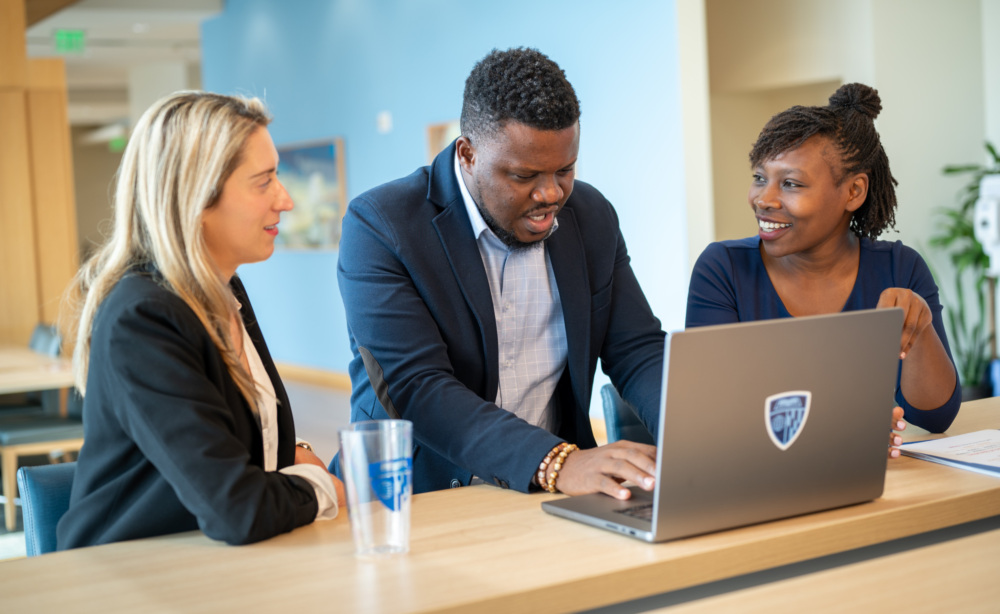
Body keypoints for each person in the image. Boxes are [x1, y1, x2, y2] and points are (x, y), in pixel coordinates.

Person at [334, 47, 665, 500]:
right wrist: (555, 462)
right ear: (468, 154)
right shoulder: (382, 225)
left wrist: (696, 435)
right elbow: (418, 387)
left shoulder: (592, 216)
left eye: (565, 170)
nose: (551, 194)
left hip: (548, 493)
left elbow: (636, 348)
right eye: (524, 175)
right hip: (414, 495)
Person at [57, 92, 343, 549]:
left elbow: (229, 433)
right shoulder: (143, 316)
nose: (285, 200)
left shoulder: (224, 289)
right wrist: (320, 486)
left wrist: (295, 450)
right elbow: (239, 509)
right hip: (128, 579)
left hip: (218, 561)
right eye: (264, 181)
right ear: (197, 195)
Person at [686, 83, 961, 450]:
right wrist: (840, 427)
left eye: (790, 183)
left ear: (853, 192)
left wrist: (921, 328)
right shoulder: (723, 270)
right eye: (759, 177)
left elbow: (935, 417)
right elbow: (712, 413)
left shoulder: (900, 268)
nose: (763, 199)